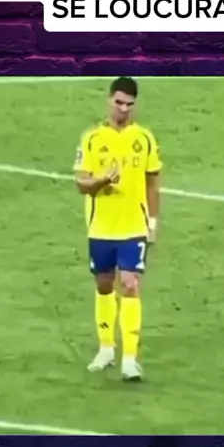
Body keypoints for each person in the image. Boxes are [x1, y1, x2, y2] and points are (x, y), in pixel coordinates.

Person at [74, 76, 162, 381]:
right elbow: (81, 184)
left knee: (130, 284)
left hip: (133, 227)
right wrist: (101, 181)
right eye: (119, 102)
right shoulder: (91, 138)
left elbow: (153, 182)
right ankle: (106, 349)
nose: (123, 109)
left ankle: (130, 359)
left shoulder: (144, 138)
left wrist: (152, 223)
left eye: (129, 104)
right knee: (103, 285)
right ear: (109, 100)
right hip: (100, 227)